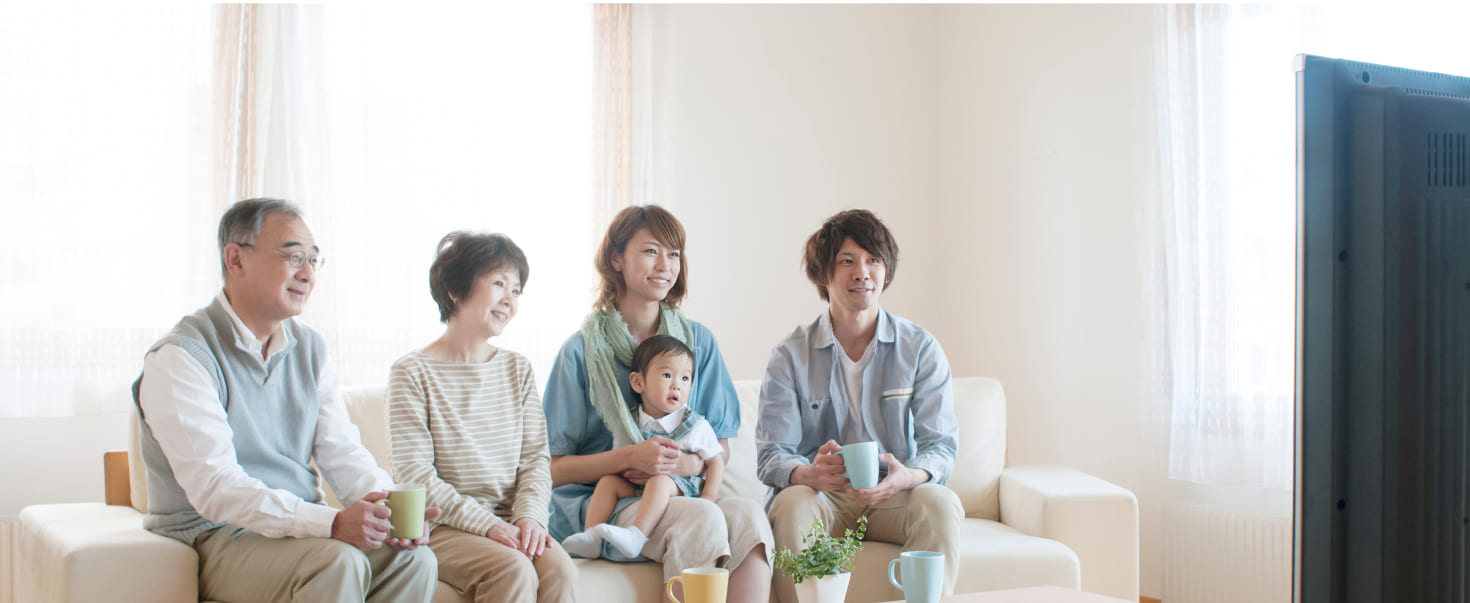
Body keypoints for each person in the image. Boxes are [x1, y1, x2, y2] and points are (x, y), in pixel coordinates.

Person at [132, 198, 439, 603]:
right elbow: (216, 488)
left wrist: (389, 511)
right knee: (336, 561)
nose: (307, 274)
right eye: (293, 256)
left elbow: (343, 452)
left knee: (414, 560)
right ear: (236, 259)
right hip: (213, 537)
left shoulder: (310, 349)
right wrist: (330, 523)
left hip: (298, 534)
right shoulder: (181, 356)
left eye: (314, 260)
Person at [542, 205, 773, 602]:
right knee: (702, 517)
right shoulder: (580, 352)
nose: (665, 265)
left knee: (750, 516)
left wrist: (690, 465)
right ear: (616, 258)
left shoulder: (698, 343)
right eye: (651, 251)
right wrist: (630, 457)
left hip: (681, 489)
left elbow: (718, 447)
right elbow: (552, 470)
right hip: (605, 501)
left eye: (674, 254)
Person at [755, 209, 964, 603]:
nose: (862, 273)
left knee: (939, 501)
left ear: (886, 271)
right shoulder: (789, 355)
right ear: (823, 273)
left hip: (893, 496)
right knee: (791, 504)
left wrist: (908, 476)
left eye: (873, 260)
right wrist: (807, 473)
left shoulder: (920, 348)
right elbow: (771, 455)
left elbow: (941, 446)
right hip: (824, 497)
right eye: (847, 261)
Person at [386, 231, 575, 603]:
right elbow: (415, 475)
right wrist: (487, 525)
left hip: (511, 518)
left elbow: (535, 459)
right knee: (513, 569)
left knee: (561, 571)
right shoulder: (411, 372)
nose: (509, 299)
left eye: (516, 290)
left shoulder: (517, 369)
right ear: (456, 289)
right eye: (499, 283)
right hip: (443, 525)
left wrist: (530, 517)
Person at [561, 335, 726, 559]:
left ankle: (636, 535)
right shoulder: (629, 424)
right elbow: (619, 459)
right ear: (638, 383)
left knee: (659, 481)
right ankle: (591, 537)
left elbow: (716, 461)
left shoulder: (694, 425)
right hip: (639, 487)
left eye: (685, 378)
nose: (677, 385)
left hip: (681, 488)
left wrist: (709, 497)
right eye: (667, 375)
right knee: (608, 482)